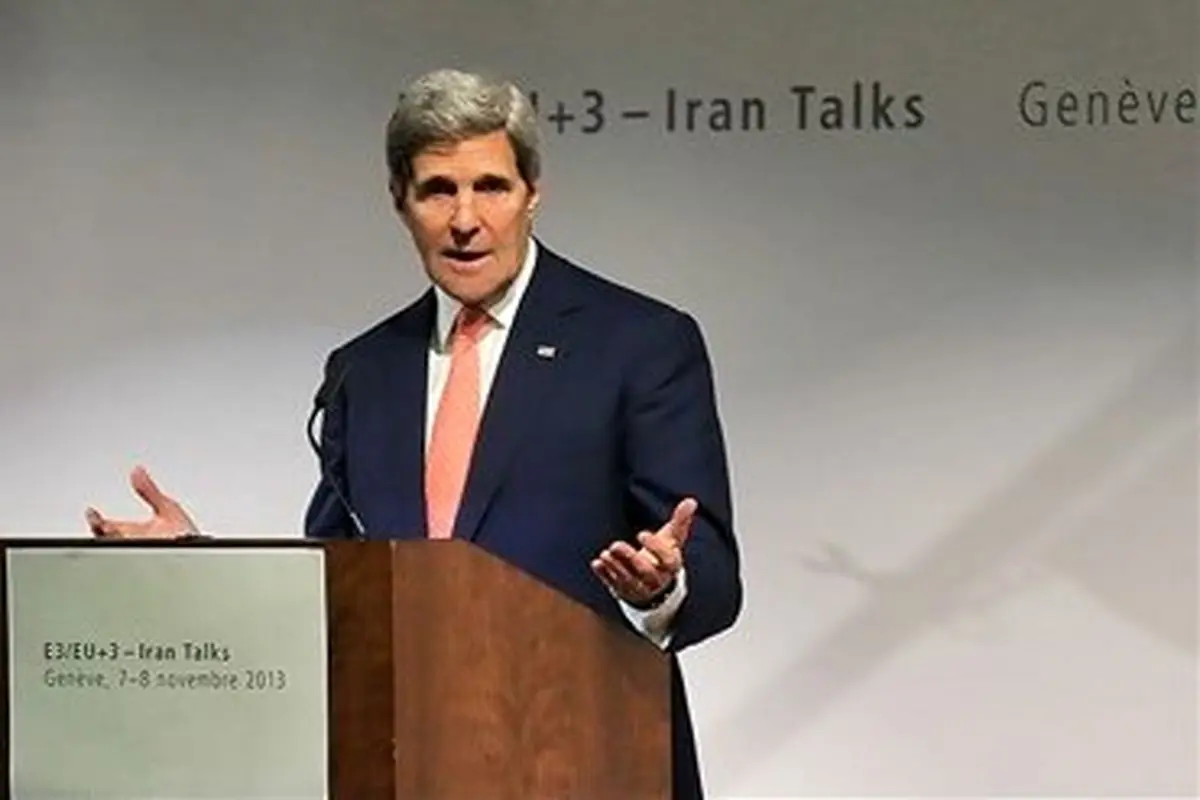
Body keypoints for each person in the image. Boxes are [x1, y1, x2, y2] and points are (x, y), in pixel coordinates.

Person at [85, 67, 743, 799]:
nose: (465, 218)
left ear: (532, 193)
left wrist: (662, 586)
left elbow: (714, 576)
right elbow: (339, 586)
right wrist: (195, 562)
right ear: (401, 201)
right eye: (437, 190)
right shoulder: (364, 370)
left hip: (592, 760)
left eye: (490, 186)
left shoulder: (639, 344)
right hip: (408, 764)